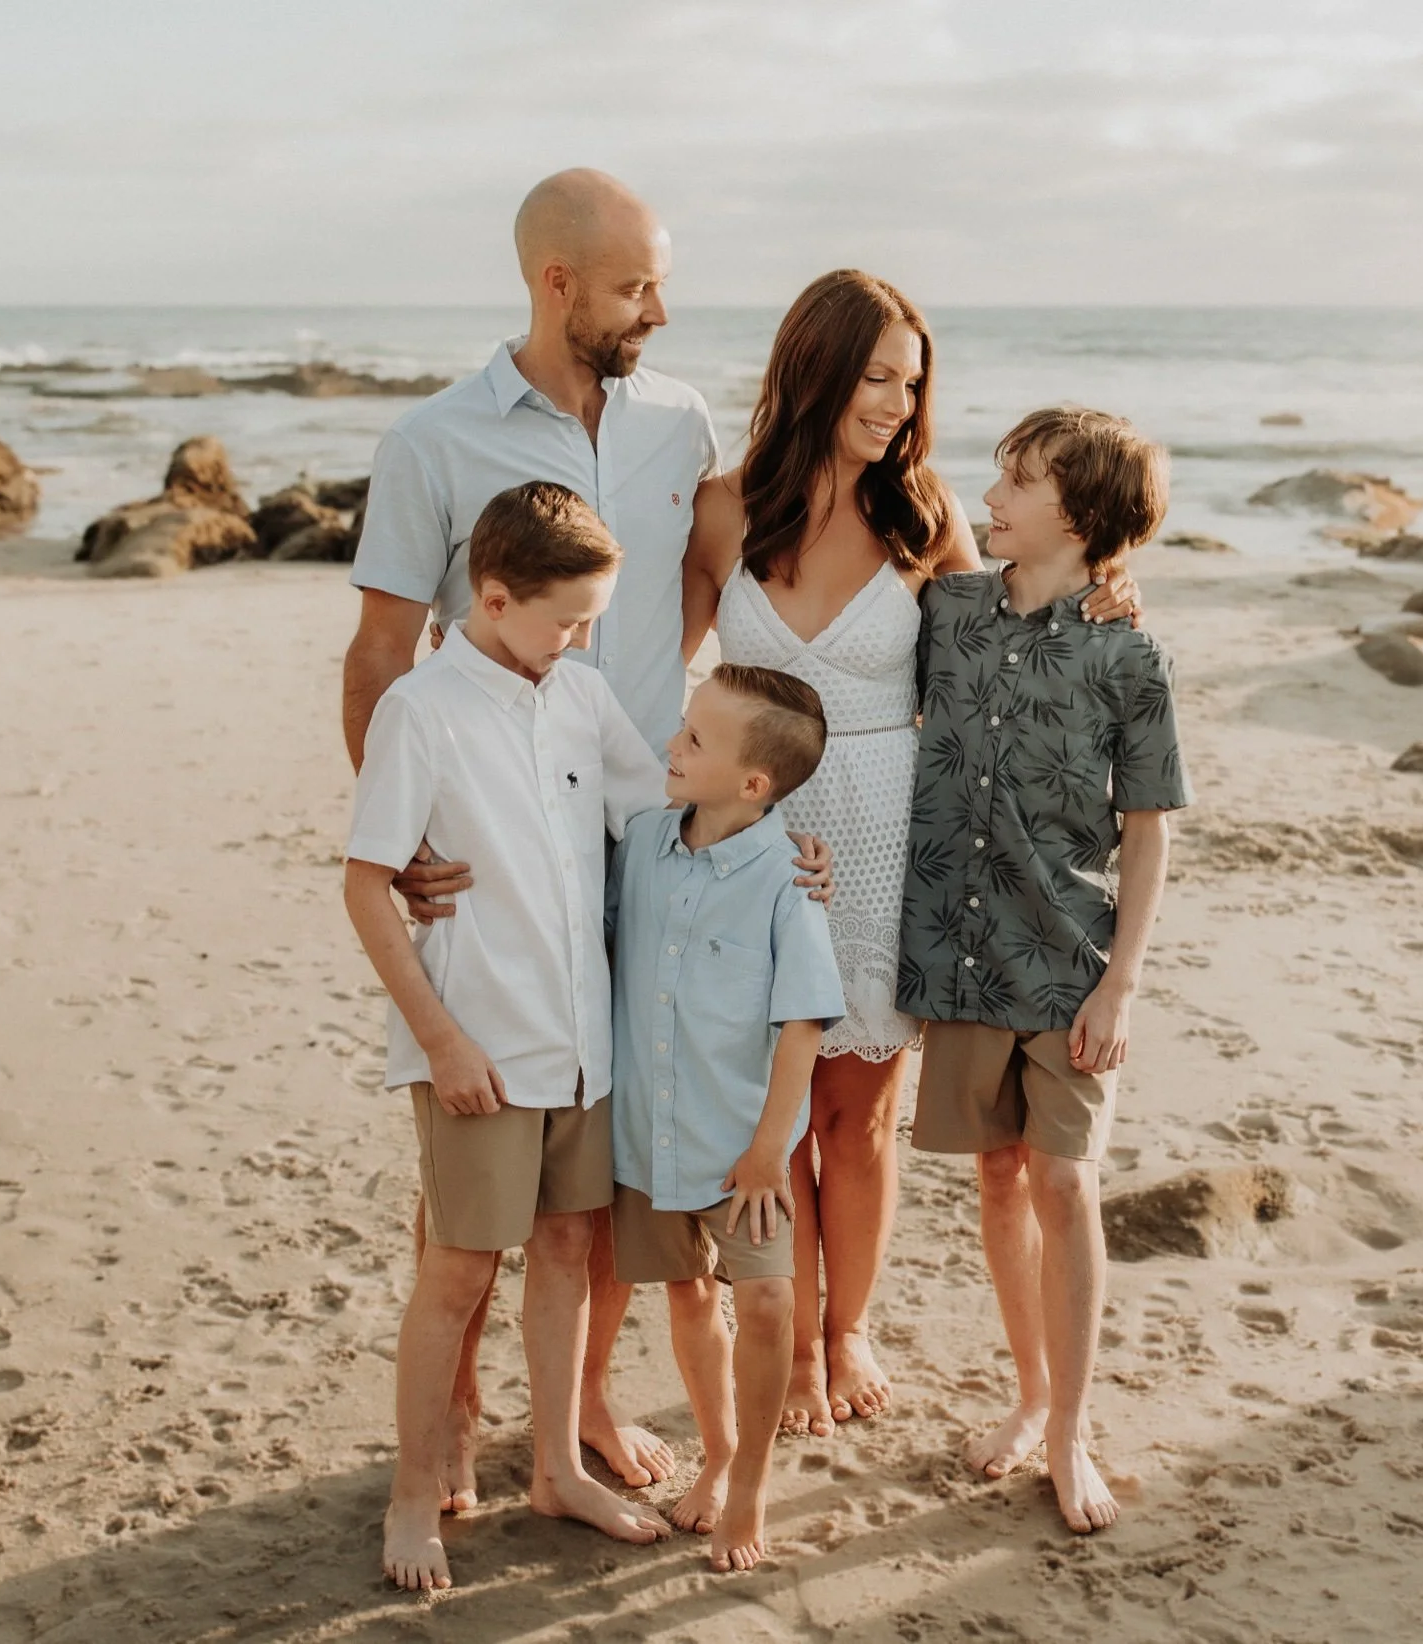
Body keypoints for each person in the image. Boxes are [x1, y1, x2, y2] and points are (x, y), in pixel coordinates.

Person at [682, 272, 1138, 1435]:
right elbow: (654, 673)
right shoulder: (721, 509)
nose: (896, 402)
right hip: (755, 836)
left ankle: (845, 1331)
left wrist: (1105, 591)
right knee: (768, 1114)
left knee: (857, 1115)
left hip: (889, 836)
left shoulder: (924, 514)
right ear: (816, 367)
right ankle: (786, 1341)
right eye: (878, 375)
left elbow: (1012, 637)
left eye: (912, 381)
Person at [342, 168, 725, 1499]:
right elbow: (385, 648)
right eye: (635, 287)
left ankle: (578, 1415)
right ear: (556, 284)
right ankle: (446, 1416)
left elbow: (698, 583)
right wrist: (409, 844)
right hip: (497, 869)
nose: (659, 311)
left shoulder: (682, 425)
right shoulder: (435, 442)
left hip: (643, 838)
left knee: (602, 1154)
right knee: (475, 1141)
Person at [343, 482, 674, 1592]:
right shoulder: (421, 709)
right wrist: (438, 1042)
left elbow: (665, 817)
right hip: (477, 1050)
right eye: (568, 619)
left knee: (572, 1252)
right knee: (455, 1273)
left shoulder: (579, 696)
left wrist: (779, 854)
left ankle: (552, 1471)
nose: (581, 639)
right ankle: (410, 1496)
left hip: (586, 1044)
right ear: (492, 596)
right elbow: (365, 887)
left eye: (591, 620)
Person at [897, 406, 1191, 1534]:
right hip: (961, 957)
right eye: (1001, 474)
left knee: (1065, 1185)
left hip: (1069, 963)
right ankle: (1029, 1394)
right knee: (998, 1178)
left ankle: (1070, 1433)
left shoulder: (1130, 652)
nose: (996, 494)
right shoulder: (949, 612)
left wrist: (1120, 982)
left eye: (1020, 480)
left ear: (1084, 513)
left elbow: (1150, 828)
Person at [607, 665, 845, 1571]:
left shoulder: (789, 876)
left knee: (772, 1297)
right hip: (650, 1135)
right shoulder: (639, 842)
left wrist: (765, 1154)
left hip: (744, 1147)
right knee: (686, 1293)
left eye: (695, 741)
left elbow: (804, 1024)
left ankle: (750, 1486)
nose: (673, 746)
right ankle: (715, 1455)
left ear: (754, 784)